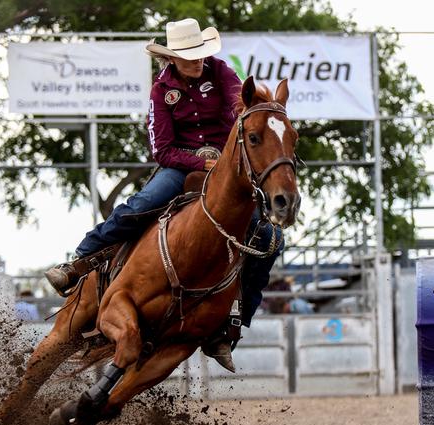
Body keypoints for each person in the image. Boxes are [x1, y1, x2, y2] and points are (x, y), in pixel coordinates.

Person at [44, 18, 283, 372]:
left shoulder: (222, 74)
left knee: (269, 238)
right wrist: (198, 162)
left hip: (229, 169)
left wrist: (224, 157)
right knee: (139, 206)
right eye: (188, 56)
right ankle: (80, 260)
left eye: (200, 54)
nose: (197, 61)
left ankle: (233, 323)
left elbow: (244, 115)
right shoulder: (162, 90)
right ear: (172, 58)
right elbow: (163, 150)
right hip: (181, 168)